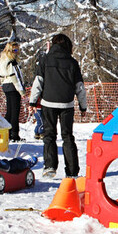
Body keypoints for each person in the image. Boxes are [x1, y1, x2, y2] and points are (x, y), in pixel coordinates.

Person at [29, 33, 87, 178]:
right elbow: (79, 86)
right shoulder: (72, 63)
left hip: (48, 103)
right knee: (67, 136)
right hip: (67, 104)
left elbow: (38, 82)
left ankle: (49, 166)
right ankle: (72, 171)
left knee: (49, 135)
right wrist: (83, 105)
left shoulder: (45, 60)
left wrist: (32, 101)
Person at [0, 41, 25, 141]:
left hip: (6, 85)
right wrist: (21, 90)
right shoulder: (12, 61)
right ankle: (14, 134)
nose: (17, 52)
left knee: (9, 111)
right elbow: (15, 77)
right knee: (15, 112)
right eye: (16, 50)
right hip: (13, 86)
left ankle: (6, 132)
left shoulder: (2, 59)